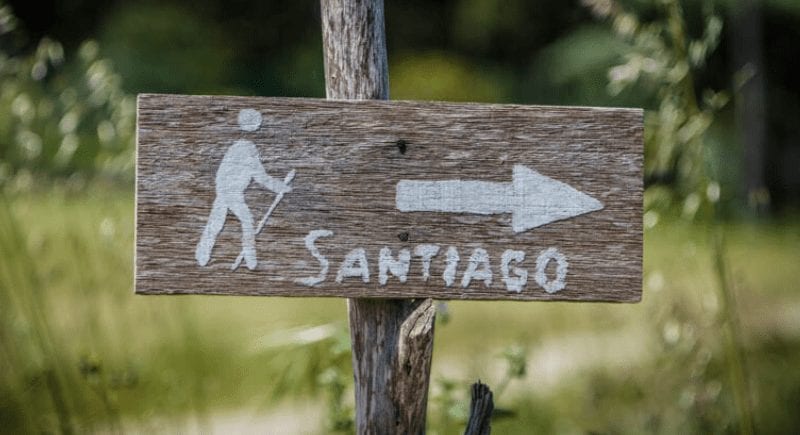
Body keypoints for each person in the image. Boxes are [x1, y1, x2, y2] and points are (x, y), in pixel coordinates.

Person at [195, 109, 291, 270]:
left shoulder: (239, 147)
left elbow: (257, 175)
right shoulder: (246, 149)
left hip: (228, 191)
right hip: (230, 192)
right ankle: (249, 256)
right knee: (245, 220)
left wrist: (281, 187)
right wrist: (280, 187)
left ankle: (203, 253)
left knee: (216, 222)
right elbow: (261, 176)